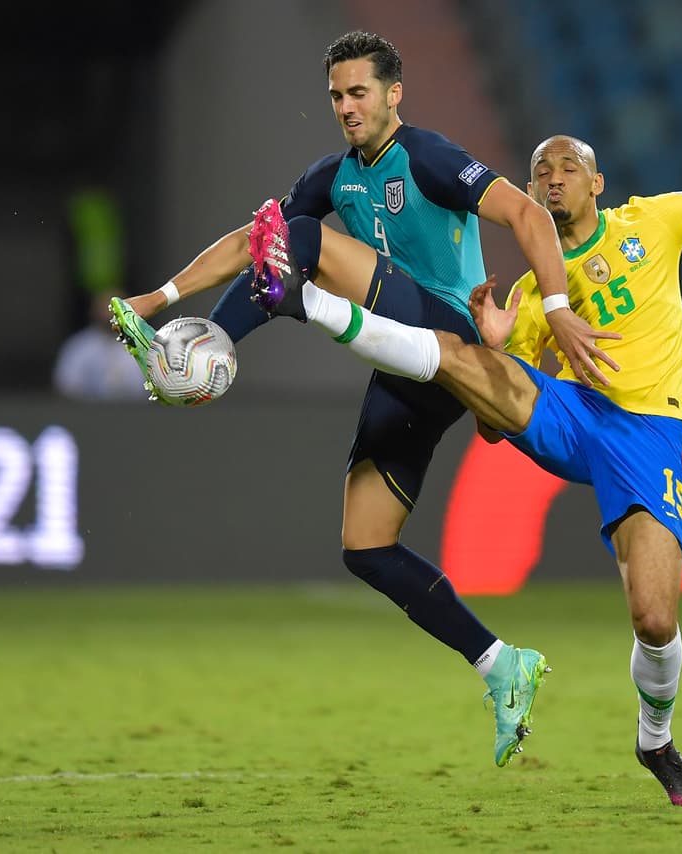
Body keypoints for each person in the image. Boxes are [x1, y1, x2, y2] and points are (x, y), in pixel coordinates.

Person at [249, 121, 682, 806]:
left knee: (654, 618)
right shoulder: (530, 296)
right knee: (461, 356)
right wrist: (496, 346)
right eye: (541, 172)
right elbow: (494, 429)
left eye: (568, 167)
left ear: (597, 183)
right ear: (531, 192)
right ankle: (306, 302)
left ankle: (656, 742)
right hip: (573, 417)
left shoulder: (655, 221)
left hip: (647, 434)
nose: (553, 178)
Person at [107, 32, 613, 767]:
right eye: (337, 96)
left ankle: (206, 355)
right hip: (409, 370)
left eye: (359, 93)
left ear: (393, 94)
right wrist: (158, 298)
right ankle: (501, 663)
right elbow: (256, 240)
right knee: (367, 548)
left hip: (448, 332)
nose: (347, 107)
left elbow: (530, 217)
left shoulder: (430, 157)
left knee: (303, 241)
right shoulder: (332, 175)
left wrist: (559, 307)